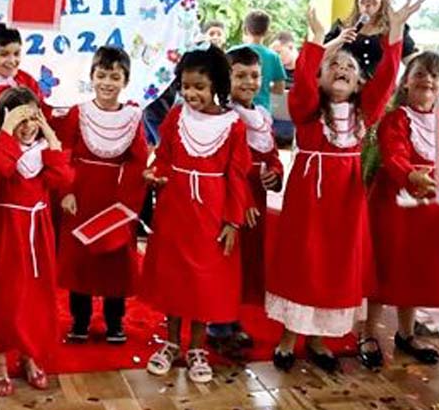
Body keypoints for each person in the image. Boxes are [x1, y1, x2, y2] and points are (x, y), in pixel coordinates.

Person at [266, 0, 420, 374]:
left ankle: (318, 340)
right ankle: (288, 338)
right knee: (304, 265)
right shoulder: (307, 110)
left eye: (350, 67)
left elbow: (385, 80)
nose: (341, 68)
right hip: (308, 199)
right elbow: (301, 80)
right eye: (333, 65)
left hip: (346, 202)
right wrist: (319, 39)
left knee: (334, 268)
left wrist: (395, 31)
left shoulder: (363, 112)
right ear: (321, 78)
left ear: (359, 83)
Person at [141, 48, 251, 384]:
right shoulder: (175, 117)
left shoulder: (233, 126)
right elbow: (164, 155)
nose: (191, 94)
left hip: (212, 213)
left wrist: (233, 221)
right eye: (186, 86)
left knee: (205, 280)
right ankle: (172, 342)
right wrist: (155, 172)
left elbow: (237, 175)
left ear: (216, 84)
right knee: (176, 276)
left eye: (199, 87)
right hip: (176, 208)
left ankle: (198, 347)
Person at [360, 52, 439, 370]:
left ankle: (406, 333)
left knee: (413, 266)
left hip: (429, 208)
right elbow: (393, 153)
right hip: (392, 204)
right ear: (406, 81)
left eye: (436, 75)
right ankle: (369, 332)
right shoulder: (396, 117)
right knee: (384, 265)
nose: (428, 79)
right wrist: (412, 175)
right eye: (420, 73)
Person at [0, 87, 74, 396]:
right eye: (20, 119)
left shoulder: (41, 151)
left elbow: (62, 180)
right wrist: (7, 130)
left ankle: (30, 355)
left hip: (39, 232)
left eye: (32, 118)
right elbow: (1, 168)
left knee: (36, 295)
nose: (28, 126)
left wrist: (50, 135)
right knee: (4, 295)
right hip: (8, 232)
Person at [54, 47, 148, 344]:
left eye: (115, 76)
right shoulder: (77, 113)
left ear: (125, 81)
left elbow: (138, 160)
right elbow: (64, 153)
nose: (108, 82)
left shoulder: (134, 117)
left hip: (117, 199)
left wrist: (127, 203)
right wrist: (67, 191)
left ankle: (114, 321)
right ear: (92, 77)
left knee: (115, 260)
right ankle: (79, 321)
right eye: (102, 75)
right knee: (79, 260)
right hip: (81, 197)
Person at [208, 47, 284, 356]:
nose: (248, 82)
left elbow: (272, 155)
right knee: (225, 259)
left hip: (257, 199)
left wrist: (275, 174)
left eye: (254, 76)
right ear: (226, 78)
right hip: (230, 200)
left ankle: (232, 318)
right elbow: (222, 164)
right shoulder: (221, 116)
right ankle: (217, 324)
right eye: (240, 75)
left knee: (246, 261)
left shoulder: (263, 116)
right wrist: (242, 199)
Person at [325, 0, 417, 79]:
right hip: (344, 89)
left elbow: (413, 63)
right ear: (357, 0)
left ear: (383, 0)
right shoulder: (341, 27)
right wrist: (339, 41)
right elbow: (317, 56)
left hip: (381, 90)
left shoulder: (395, 29)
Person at [236, 10, 286, 113]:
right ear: (267, 32)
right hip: (262, 111)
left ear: (245, 30)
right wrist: (265, 87)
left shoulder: (233, 52)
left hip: (235, 109)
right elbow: (280, 89)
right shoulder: (273, 56)